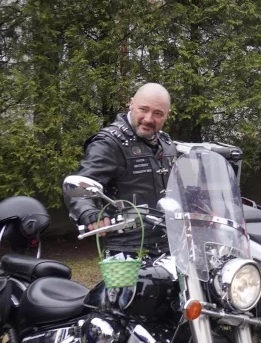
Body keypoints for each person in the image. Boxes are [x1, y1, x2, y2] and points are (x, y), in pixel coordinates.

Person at [65, 83, 178, 255]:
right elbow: (82, 185)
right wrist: (89, 213)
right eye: (143, 109)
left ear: (167, 115)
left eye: (158, 113)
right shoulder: (109, 143)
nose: (148, 119)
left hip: (171, 246)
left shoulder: (166, 143)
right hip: (127, 250)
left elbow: (179, 189)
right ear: (131, 104)